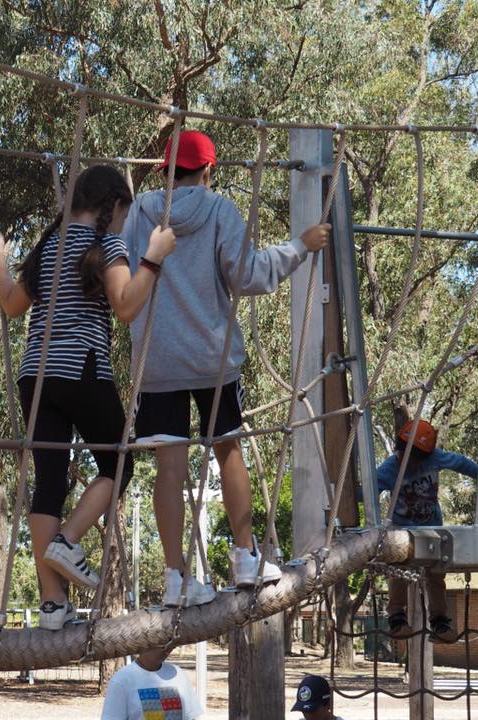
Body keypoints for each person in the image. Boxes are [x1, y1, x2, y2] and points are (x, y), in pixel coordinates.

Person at [121, 130, 331, 606]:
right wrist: (300, 246)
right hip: (212, 359)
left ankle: (175, 578)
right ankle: (244, 556)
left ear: (165, 171)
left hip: (157, 359)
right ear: (209, 170)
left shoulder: (140, 212)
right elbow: (249, 275)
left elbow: (122, 265)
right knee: (228, 449)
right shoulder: (220, 211)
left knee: (168, 467)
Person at [0, 165, 176, 629]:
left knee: (50, 481)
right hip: (82, 370)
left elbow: (10, 304)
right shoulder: (106, 245)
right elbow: (127, 307)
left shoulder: (48, 245)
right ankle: (68, 540)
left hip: (36, 378)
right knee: (120, 462)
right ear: (115, 206)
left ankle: (52, 603)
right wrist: (152, 258)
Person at [376, 419, 477, 644]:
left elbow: (461, 463)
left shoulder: (435, 458)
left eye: (414, 460)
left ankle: (440, 622)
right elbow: (370, 489)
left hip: (432, 528)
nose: (408, 462)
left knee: (436, 574)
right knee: (398, 572)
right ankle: (397, 618)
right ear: (398, 450)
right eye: (404, 456)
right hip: (402, 531)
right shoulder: (390, 468)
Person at [100, 647, 203, 720]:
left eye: (172, 642)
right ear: (146, 641)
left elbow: (190, 717)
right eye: (163, 640)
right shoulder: (121, 681)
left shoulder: (178, 674)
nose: (170, 647)